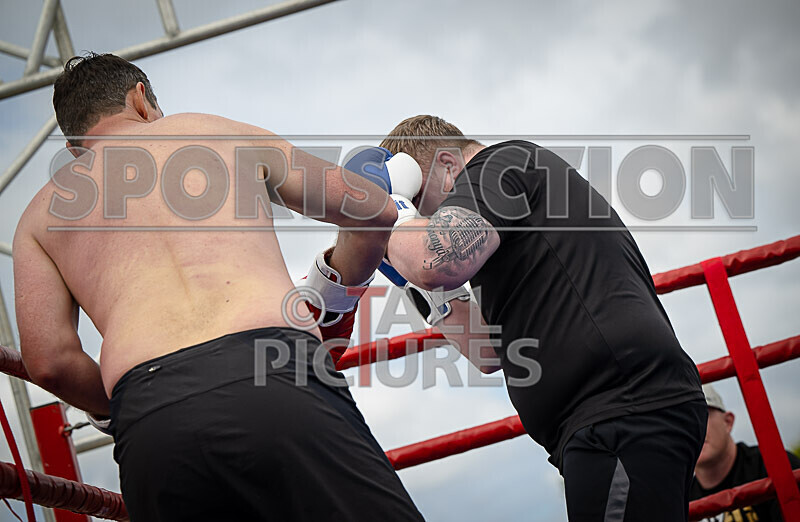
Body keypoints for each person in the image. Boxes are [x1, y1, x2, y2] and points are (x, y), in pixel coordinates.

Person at [13, 53, 424, 521]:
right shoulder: (214, 132)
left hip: (150, 420)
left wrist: (134, 403)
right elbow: (371, 209)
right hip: (275, 373)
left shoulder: (39, 214)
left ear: (73, 148)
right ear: (141, 99)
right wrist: (380, 197)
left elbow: (48, 362)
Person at [377, 115, 708, 521]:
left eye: (427, 209)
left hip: (620, 410)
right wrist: (412, 284)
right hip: (606, 418)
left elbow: (436, 257)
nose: (429, 223)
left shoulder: (499, 166)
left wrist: (392, 214)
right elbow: (487, 351)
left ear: (448, 166)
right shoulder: (504, 224)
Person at [691, 384, 800, 522]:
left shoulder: (774, 467)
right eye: (682, 422)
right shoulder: (681, 497)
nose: (693, 429)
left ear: (728, 422)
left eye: (702, 415)